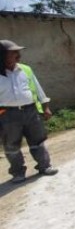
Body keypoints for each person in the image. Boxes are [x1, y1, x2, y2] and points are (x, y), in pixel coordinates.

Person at [0, 40, 58, 183]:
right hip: (7, 114)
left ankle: (44, 166)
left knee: (38, 141)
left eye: (18, 52)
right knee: (11, 145)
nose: (18, 56)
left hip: (30, 111)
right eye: (13, 53)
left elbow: (38, 89)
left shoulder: (25, 69)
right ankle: (18, 173)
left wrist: (46, 107)